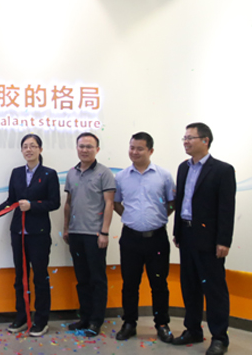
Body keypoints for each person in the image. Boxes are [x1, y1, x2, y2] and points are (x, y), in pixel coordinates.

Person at [0, 133, 60, 337]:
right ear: (21, 150)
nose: (29, 149)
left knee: (40, 277)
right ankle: (21, 316)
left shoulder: (49, 174)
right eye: (25, 146)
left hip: (39, 234)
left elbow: (54, 203)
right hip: (18, 232)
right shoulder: (16, 173)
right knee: (20, 276)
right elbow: (11, 200)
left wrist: (32, 205)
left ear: (40, 150)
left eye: (33, 146)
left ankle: (41, 320)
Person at [172, 122, 236, 355]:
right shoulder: (183, 168)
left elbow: (226, 208)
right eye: (184, 138)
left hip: (209, 239)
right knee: (189, 286)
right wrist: (177, 231)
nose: (186, 142)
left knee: (214, 289)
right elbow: (181, 202)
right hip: (186, 234)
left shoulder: (222, 170)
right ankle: (193, 330)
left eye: (190, 138)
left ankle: (220, 337)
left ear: (205, 140)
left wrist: (224, 241)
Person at [113, 132, 175, 343]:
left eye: (139, 148)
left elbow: (172, 202)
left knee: (159, 283)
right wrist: (132, 218)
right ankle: (129, 323)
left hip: (157, 237)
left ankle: (162, 324)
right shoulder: (121, 177)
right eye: (132, 148)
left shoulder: (163, 175)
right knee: (130, 283)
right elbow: (116, 203)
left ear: (150, 151)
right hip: (130, 237)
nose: (134, 152)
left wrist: (157, 217)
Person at [63, 132, 115, 337]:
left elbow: (109, 203)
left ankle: (96, 320)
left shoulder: (104, 173)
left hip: (95, 235)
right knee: (82, 279)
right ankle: (84, 317)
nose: (84, 150)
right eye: (81, 146)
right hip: (75, 233)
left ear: (97, 149)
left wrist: (104, 232)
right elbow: (68, 203)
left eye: (89, 146)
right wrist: (66, 228)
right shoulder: (71, 173)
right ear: (77, 148)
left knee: (97, 279)